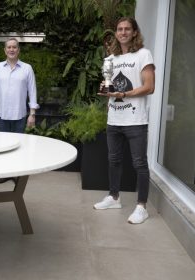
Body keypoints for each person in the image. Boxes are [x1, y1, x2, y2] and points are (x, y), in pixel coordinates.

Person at [93, 17, 155, 224]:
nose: (123, 32)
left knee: (139, 163)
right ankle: (114, 197)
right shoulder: (111, 59)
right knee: (113, 160)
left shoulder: (143, 54)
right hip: (114, 118)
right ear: (116, 33)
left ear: (135, 32)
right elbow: (109, 84)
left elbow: (149, 86)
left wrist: (124, 94)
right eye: (120, 29)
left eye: (127, 29)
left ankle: (141, 207)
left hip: (136, 120)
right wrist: (106, 89)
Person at [0, 37, 39, 183]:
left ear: (18, 50)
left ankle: (17, 174)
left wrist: (32, 114)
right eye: (9, 47)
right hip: (1, 114)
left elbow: (32, 92)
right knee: (3, 146)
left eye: (14, 47)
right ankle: (5, 173)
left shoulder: (27, 68)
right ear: (5, 50)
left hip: (20, 115)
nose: (11, 49)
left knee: (18, 147)